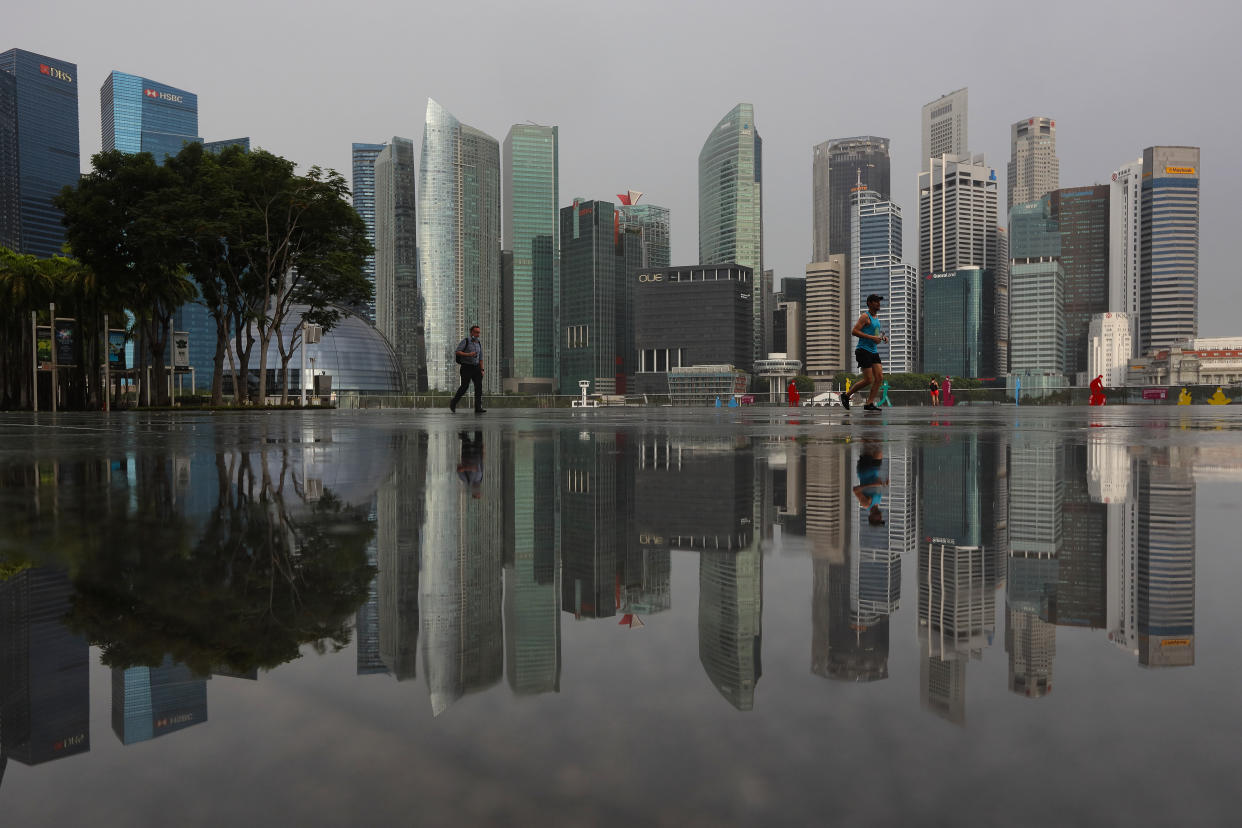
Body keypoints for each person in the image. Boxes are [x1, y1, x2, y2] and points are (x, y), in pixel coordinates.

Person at [841, 294, 887, 412]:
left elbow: (875, 334)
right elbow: (854, 331)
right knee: (868, 380)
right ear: (870, 303)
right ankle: (846, 395)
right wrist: (871, 337)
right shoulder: (865, 317)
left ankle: (869, 403)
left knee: (879, 377)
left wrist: (882, 337)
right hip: (863, 350)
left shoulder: (876, 318)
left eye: (879, 301)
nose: (878, 303)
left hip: (873, 351)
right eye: (876, 301)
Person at [450, 325, 486, 413]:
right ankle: (453, 403)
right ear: (471, 333)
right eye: (476, 332)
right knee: (464, 387)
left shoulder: (479, 343)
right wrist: (468, 354)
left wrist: (482, 370)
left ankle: (478, 408)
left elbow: (480, 358)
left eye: (479, 332)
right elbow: (457, 351)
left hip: (476, 367)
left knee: (478, 387)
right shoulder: (465, 341)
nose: (478, 334)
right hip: (466, 367)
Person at [852, 439, 888, 526]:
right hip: (874, 470)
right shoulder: (878, 502)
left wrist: (873, 484)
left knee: (867, 442)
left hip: (864, 470)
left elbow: (855, 490)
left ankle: (852, 435)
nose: (880, 517)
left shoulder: (866, 504)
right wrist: (884, 484)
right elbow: (878, 482)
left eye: (877, 520)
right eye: (881, 519)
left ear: (870, 517)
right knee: (878, 445)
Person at [457, 430, 485, 498]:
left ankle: (464, 421)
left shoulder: (466, 480)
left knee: (464, 433)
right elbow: (481, 463)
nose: (478, 490)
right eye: (479, 492)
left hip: (467, 452)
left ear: (473, 491)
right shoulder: (480, 479)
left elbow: (458, 469)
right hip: (478, 451)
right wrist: (483, 451)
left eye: (477, 492)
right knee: (479, 430)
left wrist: (469, 468)